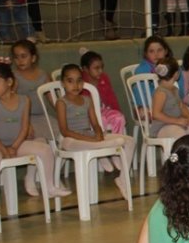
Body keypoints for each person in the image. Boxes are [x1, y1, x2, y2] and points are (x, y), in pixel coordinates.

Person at [0, 62, 69, 219]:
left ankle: (49, 186)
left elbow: (24, 128)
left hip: (14, 143)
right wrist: (3, 149)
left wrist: (14, 147)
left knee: (44, 149)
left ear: (9, 82)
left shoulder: (24, 100)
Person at [55, 64, 134, 202]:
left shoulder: (87, 100)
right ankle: (105, 148)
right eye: (70, 81)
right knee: (111, 143)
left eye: (79, 80)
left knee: (129, 140)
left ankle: (121, 178)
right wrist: (90, 140)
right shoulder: (62, 102)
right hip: (71, 139)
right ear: (63, 83)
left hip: (89, 136)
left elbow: (95, 123)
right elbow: (64, 130)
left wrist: (98, 133)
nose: (76, 85)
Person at [149, 57, 189, 139]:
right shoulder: (161, 92)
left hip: (179, 123)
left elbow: (181, 106)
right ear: (176, 74)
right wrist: (177, 121)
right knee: (180, 135)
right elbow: (156, 114)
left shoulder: (175, 89)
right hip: (163, 126)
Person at [80, 49, 127, 135]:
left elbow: (111, 97)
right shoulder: (81, 83)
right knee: (102, 120)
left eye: (102, 67)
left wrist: (118, 110)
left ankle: (116, 143)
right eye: (96, 68)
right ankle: (103, 144)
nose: (100, 71)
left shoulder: (104, 78)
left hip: (104, 110)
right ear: (85, 69)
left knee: (119, 118)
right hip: (88, 115)